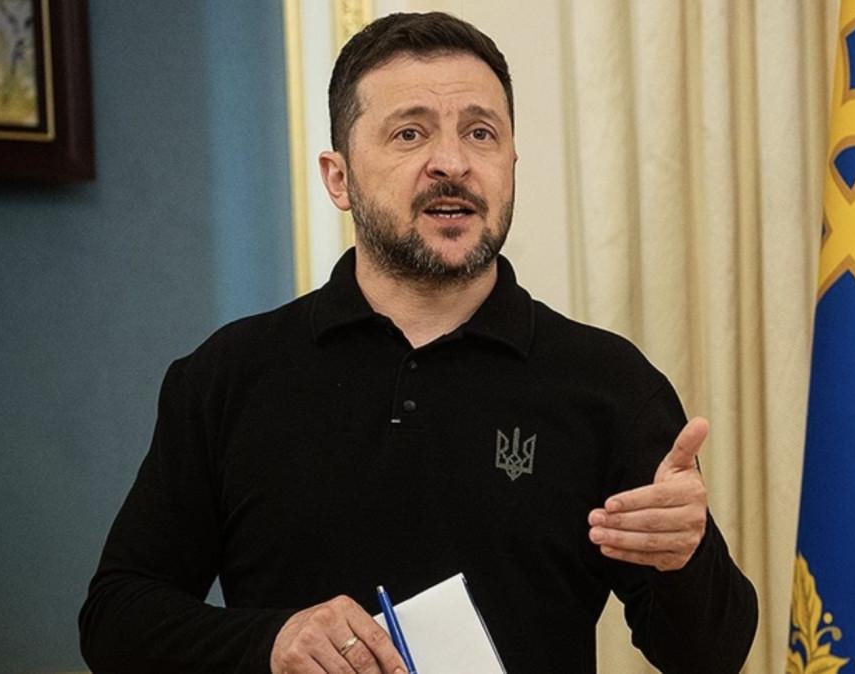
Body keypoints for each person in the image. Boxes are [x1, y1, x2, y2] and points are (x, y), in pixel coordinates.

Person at [79, 11, 757, 674]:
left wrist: (685, 559)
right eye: (410, 133)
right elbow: (115, 621)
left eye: (481, 133)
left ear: (511, 165)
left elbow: (711, 656)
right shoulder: (228, 376)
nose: (452, 163)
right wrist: (271, 644)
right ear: (339, 178)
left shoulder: (607, 383)